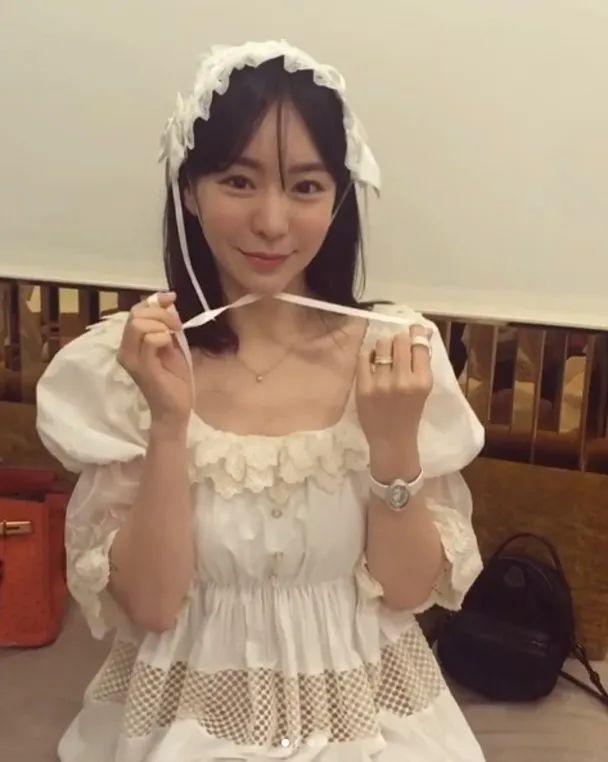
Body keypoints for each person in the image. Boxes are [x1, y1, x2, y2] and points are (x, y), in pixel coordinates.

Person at [36, 40, 487, 761]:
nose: (273, 222)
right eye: (239, 182)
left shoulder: (395, 354)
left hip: (368, 716)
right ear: (190, 190)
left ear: (338, 198)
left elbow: (406, 592)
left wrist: (394, 442)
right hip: (190, 717)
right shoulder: (129, 365)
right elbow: (152, 606)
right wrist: (168, 425)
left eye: (305, 187)